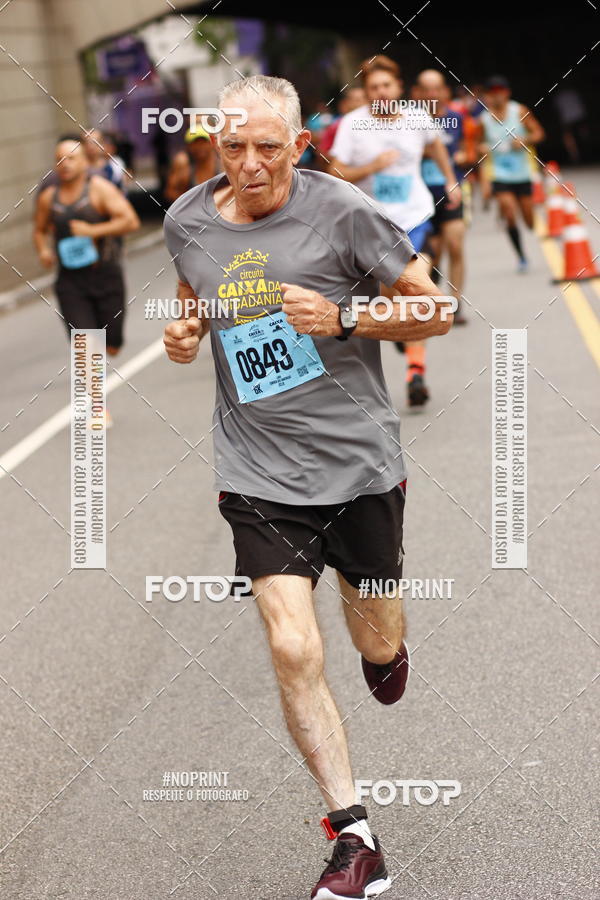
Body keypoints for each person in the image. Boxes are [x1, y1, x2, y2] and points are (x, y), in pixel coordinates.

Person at [163, 74, 453, 900]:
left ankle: (387, 650)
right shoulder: (186, 220)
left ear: (298, 144)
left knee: (375, 642)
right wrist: (185, 330)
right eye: (233, 147)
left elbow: (437, 309)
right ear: (215, 146)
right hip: (257, 469)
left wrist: (345, 317)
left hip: (359, 463)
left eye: (268, 147)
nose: (250, 164)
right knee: (292, 646)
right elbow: (194, 297)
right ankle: (354, 837)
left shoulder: (344, 212)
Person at [329, 54, 460, 407]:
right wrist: (371, 167)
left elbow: (435, 146)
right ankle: (404, 332)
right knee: (390, 299)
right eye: (374, 87)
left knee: (415, 291)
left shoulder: (417, 116)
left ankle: (416, 372)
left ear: (399, 87)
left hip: (415, 218)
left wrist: (450, 180)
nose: (381, 92)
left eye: (386, 85)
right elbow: (335, 172)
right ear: (366, 92)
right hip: (375, 226)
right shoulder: (352, 124)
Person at [34, 137, 140, 422]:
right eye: (59, 159)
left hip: (106, 276)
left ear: (84, 162)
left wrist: (93, 231)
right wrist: (44, 250)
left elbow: (130, 221)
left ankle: (108, 347)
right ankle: (97, 407)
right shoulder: (48, 197)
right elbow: (39, 230)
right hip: (70, 282)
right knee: (84, 342)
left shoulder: (100, 189)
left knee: (111, 343)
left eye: (71, 158)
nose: (65, 164)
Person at [415, 69, 468, 324]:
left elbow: (467, 149)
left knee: (455, 245)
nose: (432, 94)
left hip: (450, 190)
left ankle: (456, 304)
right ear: (417, 93)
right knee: (433, 253)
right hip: (421, 194)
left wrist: (463, 156)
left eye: (437, 89)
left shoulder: (456, 118)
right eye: (426, 89)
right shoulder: (409, 120)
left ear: (445, 91)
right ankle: (434, 288)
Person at [478, 76, 545, 272]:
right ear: (487, 95)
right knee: (508, 210)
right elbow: (476, 146)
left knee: (529, 221)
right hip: (499, 174)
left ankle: (525, 222)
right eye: (492, 92)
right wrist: (481, 148)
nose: (497, 95)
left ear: (507, 92)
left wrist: (525, 140)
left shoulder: (520, 111)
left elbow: (539, 133)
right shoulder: (483, 120)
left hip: (522, 172)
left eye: (500, 91)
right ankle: (521, 256)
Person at [164, 124, 217, 203]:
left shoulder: (222, 162)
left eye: (203, 142)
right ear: (188, 146)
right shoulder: (183, 165)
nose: (200, 147)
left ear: (211, 143)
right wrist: (190, 203)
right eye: (195, 143)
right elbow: (170, 193)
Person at [318, 87, 366, 161]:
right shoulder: (337, 126)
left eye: (365, 99)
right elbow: (322, 152)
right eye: (357, 100)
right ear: (347, 103)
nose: (362, 103)